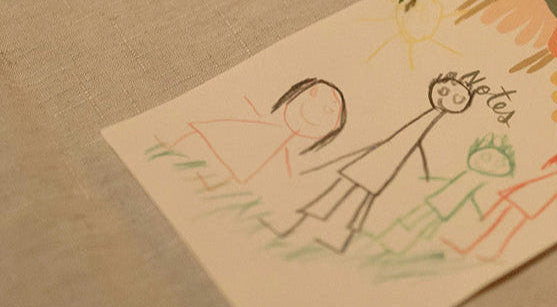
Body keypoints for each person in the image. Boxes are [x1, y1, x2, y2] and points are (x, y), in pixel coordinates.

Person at [261, 72, 476, 253]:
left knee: (349, 201)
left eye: (457, 99)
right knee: (340, 197)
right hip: (376, 163)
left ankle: (325, 236)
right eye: (445, 90)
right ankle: (311, 232)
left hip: (382, 168)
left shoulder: (429, 122)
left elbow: (412, 144)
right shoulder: (420, 116)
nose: (446, 98)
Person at [161, 77, 346, 187]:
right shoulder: (238, 127)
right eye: (315, 93)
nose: (329, 110)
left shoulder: (283, 167)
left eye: (333, 110)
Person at [444, 145, 557, 261]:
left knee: (505, 226)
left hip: (528, 205)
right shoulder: (549, 171)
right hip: (517, 197)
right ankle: (466, 243)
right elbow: (529, 183)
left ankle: (488, 251)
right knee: (489, 219)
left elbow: (553, 197)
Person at [376, 133, 516, 255]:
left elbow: (470, 196)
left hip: (446, 209)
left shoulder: (479, 181)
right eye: (486, 157)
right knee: (414, 220)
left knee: (423, 226)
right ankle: (389, 240)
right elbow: (454, 186)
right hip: (438, 203)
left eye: (500, 163)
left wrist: (477, 209)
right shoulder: (468, 175)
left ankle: (398, 246)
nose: (490, 165)